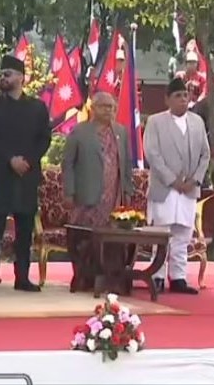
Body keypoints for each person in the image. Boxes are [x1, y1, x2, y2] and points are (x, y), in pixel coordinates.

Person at [0, 54, 51, 293]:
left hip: (26, 176)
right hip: (0, 174)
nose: (3, 78)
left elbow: (44, 139)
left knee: (25, 229)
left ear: (21, 78)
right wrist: (11, 159)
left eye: (8, 74)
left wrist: (27, 161)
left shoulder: (37, 107)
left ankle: (22, 277)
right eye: (2, 74)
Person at [143, 79, 209, 295]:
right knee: (160, 234)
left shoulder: (197, 122)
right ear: (167, 100)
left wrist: (194, 180)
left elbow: (205, 154)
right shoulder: (155, 122)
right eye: (177, 96)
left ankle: (178, 277)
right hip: (165, 188)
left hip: (189, 189)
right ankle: (157, 276)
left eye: (185, 95)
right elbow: (152, 153)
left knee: (183, 234)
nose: (183, 99)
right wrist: (173, 180)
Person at [61, 92, 131, 291]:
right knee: (85, 240)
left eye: (111, 107)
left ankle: (111, 278)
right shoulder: (79, 132)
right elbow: (68, 163)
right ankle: (85, 277)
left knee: (113, 239)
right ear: (93, 108)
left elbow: (126, 165)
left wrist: (127, 191)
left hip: (113, 198)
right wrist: (69, 192)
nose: (108, 111)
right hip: (86, 197)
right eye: (104, 106)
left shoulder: (120, 132)